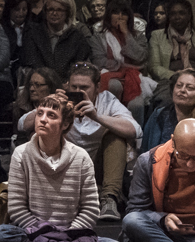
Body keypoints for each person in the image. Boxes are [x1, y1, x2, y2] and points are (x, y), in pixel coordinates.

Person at [0, 94, 123, 242]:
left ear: (65, 125)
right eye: (40, 113)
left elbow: (90, 209)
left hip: (71, 235)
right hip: (32, 231)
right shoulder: (21, 154)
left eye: (52, 115)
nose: (43, 119)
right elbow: (17, 207)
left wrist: (65, 236)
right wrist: (43, 234)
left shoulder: (81, 158)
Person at [19, 62, 139, 221]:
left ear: (97, 87)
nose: (77, 92)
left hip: (100, 167)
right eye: (73, 87)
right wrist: (50, 107)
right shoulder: (61, 101)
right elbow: (22, 124)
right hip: (66, 169)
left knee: (115, 136)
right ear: (67, 85)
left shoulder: (107, 100)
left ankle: (109, 199)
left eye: (84, 87)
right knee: (41, 131)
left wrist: (97, 117)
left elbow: (134, 130)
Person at [89, 0, 148, 107]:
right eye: (116, 13)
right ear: (109, 16)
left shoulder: (138, 36)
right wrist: (123, 66)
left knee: (137, 105)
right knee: (114, 86)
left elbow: (141, 57)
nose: (120, 17)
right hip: (109, 75)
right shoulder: (98, 37)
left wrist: (127, 34)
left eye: (124, 14)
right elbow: (98, 61)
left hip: (135, 77)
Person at [146, 0, 195, 85]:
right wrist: (176, 76)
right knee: (165, 98)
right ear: (168, 17)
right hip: (169, 83)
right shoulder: (156, 36)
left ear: (189, 15)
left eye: (182, 13)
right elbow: (154, 66)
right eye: (173, 14)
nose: (177, 17)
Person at [22, 0, 90, 76]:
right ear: (45, 12)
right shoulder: (33, 33)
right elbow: (32, 62)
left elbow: (80, 65)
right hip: (41, 81)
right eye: (50, 9)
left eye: (59, 10)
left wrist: (68, 82)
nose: (54, 13)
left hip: (68, 84)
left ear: (67, 13)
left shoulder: (77, 37)